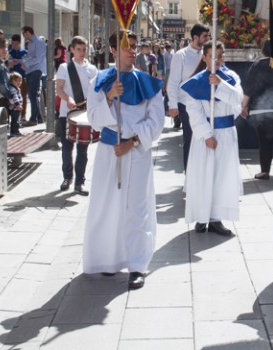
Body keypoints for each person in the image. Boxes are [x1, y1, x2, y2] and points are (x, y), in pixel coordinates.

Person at [83, 30, 165, 290]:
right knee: (109, 205)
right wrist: (109, 96)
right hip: (109, 151)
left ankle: (138, 264)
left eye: (134, 45)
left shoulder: (147, 83)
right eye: (126, 46)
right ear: (113, 51)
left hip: (137, 151)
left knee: (137, 206)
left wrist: (133, 142)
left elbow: (157, 120)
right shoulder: (101, 80)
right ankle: (109, 258)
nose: (131, 50)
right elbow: (93, 117)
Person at [181, 41, 243, 236]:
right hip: (205, 136)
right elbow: (194, 111)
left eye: (221, 56)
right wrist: (207, 134)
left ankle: (216, 218)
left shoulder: (231, 77)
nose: (217, 60)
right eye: (213, 56)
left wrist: (220, 85)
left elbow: (237, 101)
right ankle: (201, 216)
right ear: (205, 58)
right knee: (203, 176)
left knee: (222, 177)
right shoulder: (195, 82)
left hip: (226, 134)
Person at [241, 40, 273, 180]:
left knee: (264, 141)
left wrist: (244, 106)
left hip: (260, 110)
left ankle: (264, 171)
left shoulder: (258, 65)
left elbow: (249, 87)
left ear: (264, 50)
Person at [56, 36, 98, 196]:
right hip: (66, 113)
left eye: (84, 49)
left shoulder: (92, 69)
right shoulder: (64, 68)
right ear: (72, 50)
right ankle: (67, 177)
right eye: (78, 49)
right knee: (67, 149)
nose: (81, 52)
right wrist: (68, 98)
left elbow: (95, 92)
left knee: (83, 150)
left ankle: (80, 182)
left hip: (85, 114)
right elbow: (59, 88)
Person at [167, 24, 211, 170]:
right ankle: (189, 175)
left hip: (205, 103)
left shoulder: (208, 55)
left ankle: (203, 174)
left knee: (206, 137)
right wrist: (172, 105)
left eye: (208, 36)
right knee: (190, 138)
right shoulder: (181, 55)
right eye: (205, 36)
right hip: (186, 104)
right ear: (195, 37)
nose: (207, 39)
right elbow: (173, 81)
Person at [21, 26, 46, 126]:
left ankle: (33, 118)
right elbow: (31, 57)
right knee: (32, 95)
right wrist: (22, 61)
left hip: (36, 70)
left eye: (23, 34)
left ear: (28, 33)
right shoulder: (31, 43)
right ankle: (38, 117)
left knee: (32, 95)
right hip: (31, 70)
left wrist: (26, 63)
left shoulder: (39, 42)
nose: (23, 36)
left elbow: (38, 58)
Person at [7, 34, 28, 120]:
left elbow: (28, 67)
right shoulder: (9, 53)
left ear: (19, 43)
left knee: (22, 97)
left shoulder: (25, 53)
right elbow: (6, 65)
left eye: (16, 43)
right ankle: (11, 116)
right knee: (11, 98)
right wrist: (11, 63)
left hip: (22, 77)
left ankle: (23, 115)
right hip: (11, 79)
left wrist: (20, 63)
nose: (14, 45)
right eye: (13, 43)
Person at [8, 72, 24, 137]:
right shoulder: (13, 89)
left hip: (17, 107)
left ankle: (16, 130)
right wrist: (17, 105)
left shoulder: (17, 89)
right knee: (15, 120)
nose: (19, 82)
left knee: (17, 119)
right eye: (16, 81)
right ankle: (14, 131)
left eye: (20, 81)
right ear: (11, 81)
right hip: (15, 107)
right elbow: (15, 97)